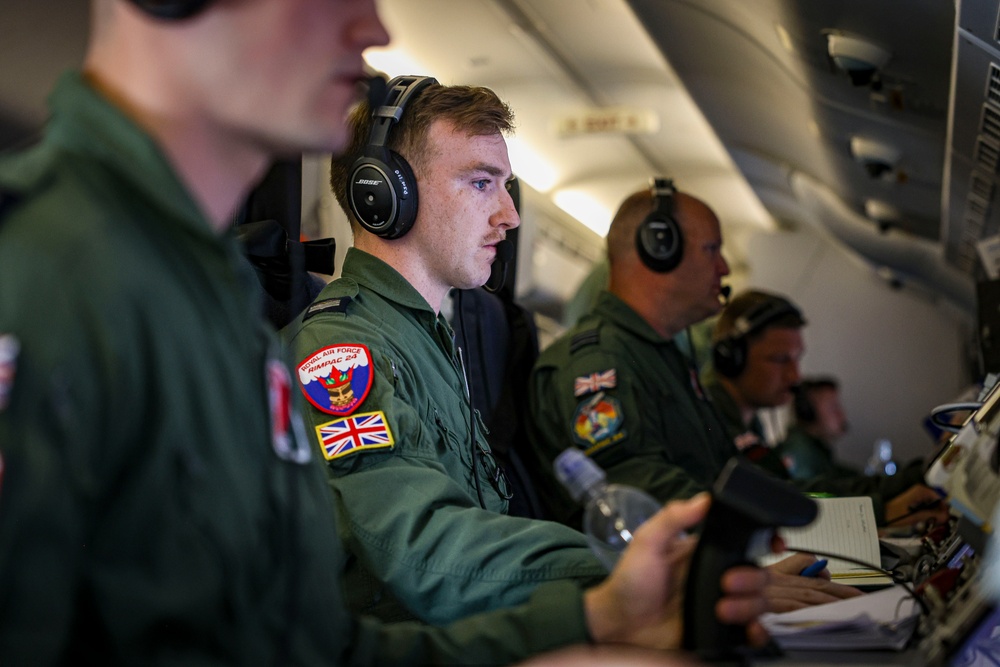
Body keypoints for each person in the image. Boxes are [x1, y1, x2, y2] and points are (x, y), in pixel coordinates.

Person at [0, 1, 771, 663]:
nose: (373, 25)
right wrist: (604, 573)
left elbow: (310, 644)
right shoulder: (47, 270)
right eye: (480, 183)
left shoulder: (212, 297)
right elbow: (418, 558)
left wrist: (597, 616)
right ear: (383, 197)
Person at [524, 182, 861, 611]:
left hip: (698, 573)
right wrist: (755, 537)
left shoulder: (665, 358)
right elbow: (637, 492)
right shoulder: (599, 362)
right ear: (657, 247)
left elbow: (720, 477)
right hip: (647, 600)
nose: (723, 268)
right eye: (712, 250)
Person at [706, 289, 950, 527]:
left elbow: (791, 490)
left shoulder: (747, 425)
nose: (794, 376)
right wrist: (881, 510)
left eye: (797, 359)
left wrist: (913, 477)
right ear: (732, 358)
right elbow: (770, 500)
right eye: (781, 360)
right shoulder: (711, 420)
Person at [776, 376, 860, 481]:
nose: (841, 414)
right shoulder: (801, 452)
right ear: (809, 414)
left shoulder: (817, 449)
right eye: (833, 408)